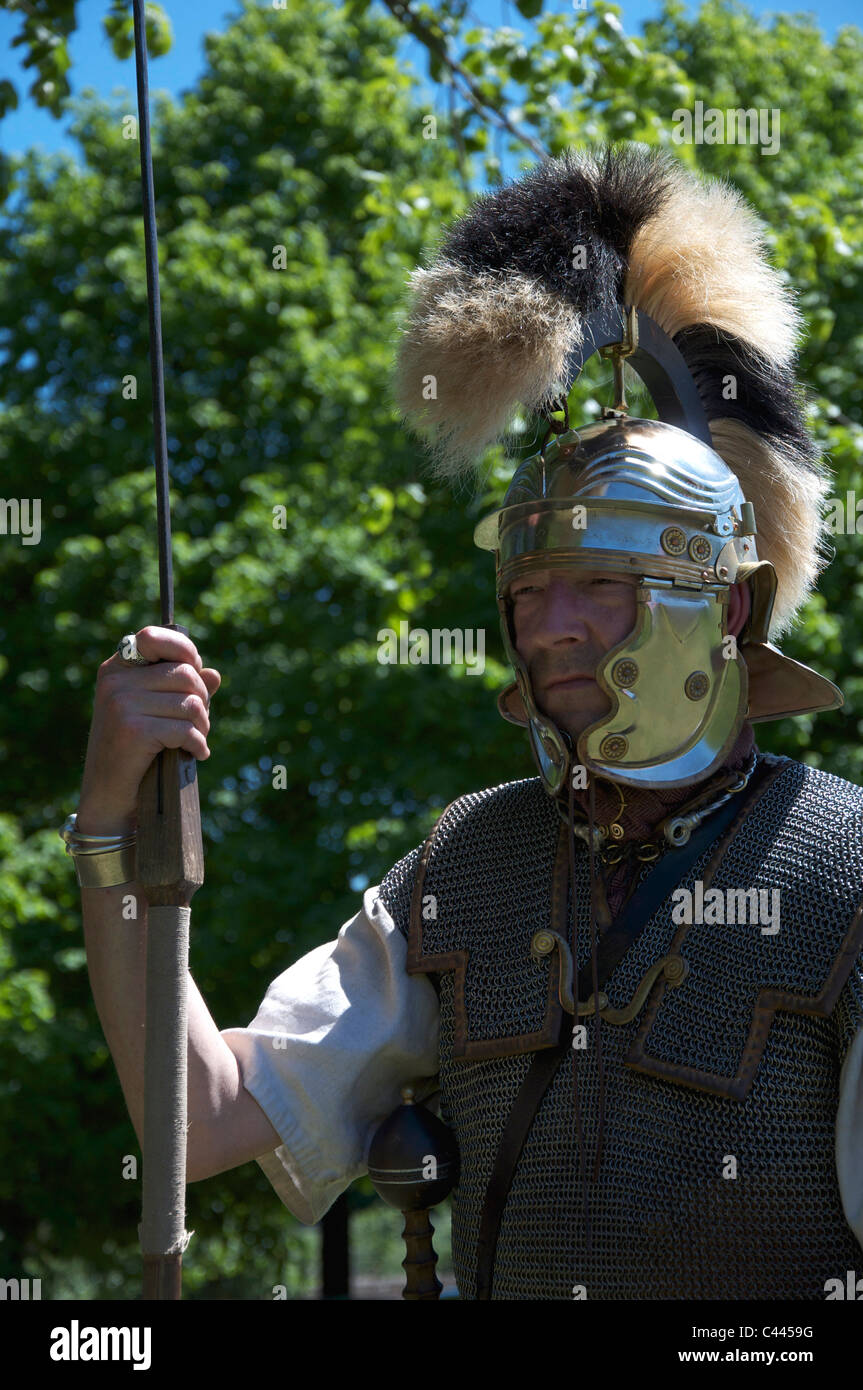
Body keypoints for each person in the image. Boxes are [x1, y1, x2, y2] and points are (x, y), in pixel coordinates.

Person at [70, 145, 863, 1300]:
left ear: (726, 603)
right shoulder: (465, 867)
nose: (549, 626)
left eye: (599, 584)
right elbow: (200, 1114)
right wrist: (108, 820)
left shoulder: (844, 869)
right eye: (529, 590)